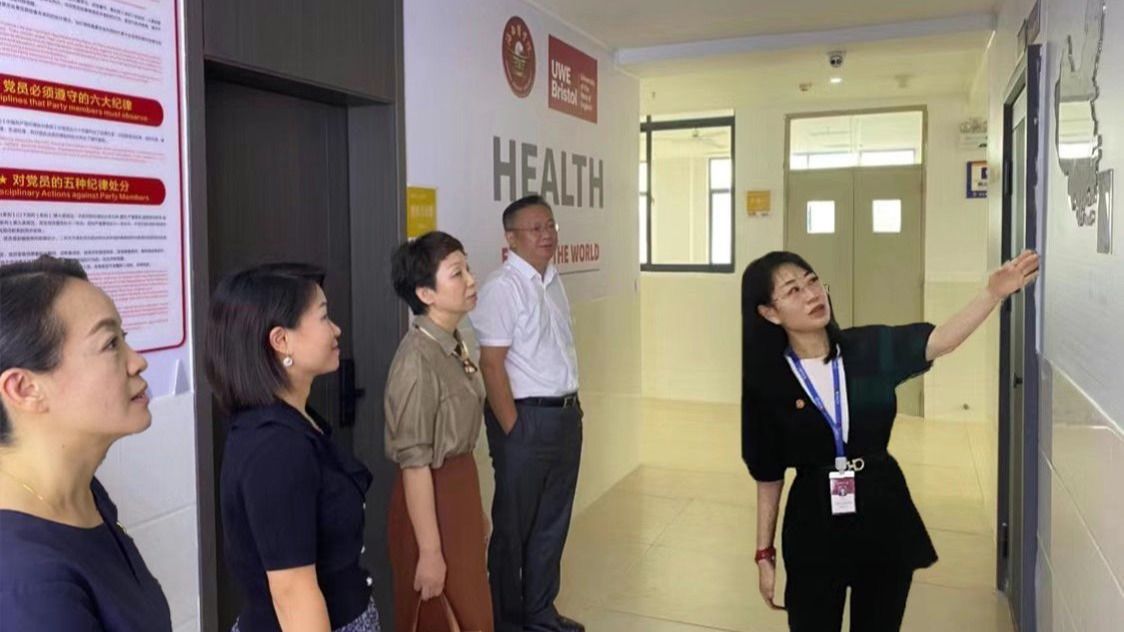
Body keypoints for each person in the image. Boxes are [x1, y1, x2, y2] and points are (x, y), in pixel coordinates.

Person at [741, 250, 1039, 632]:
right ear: (770, 313)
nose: (812, 294)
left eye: (813, 281)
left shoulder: (868, 348)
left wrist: (992, 293)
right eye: (793, 290)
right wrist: (764, 552)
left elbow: (939, 341)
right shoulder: (768, 384)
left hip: (882, 509)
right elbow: (768, 474)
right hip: (813, 520)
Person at [0, 255, 172, 631]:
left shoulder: (81, 489)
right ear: (25, 389)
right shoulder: (26, 582)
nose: (137, 362)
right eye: (110, 344)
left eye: (124, 339)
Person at [205, 263, 379, 632]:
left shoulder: (297, 420)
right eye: (324, 317)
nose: (336, 329)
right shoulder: (275, 447)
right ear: (281, 340)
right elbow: (293, 595)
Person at [472, 195, 584, 632]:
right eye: (535, 228)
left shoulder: (552, 280)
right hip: (525, 419)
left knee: (552, 524)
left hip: (563, 417)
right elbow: (491, 365)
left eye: (550, 225)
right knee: (513, 530)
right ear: (511, 238)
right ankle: (506, 621)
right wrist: (514, 430)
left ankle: (540, 613)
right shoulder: (503, 287)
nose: (547, 235)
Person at [384, 231, 494, 632]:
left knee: (473, 612)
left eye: (468, 268)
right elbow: (415, 465)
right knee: (445, 615)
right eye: (457, 273)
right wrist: (430, 552)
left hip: (458, 491)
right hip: (430, 498)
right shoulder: (416, 360)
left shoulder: (451, 342)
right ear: (425, 293)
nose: (471, 280)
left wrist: (475, 511)